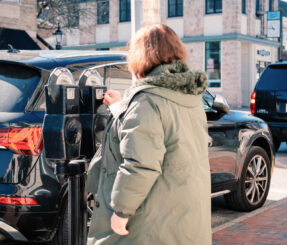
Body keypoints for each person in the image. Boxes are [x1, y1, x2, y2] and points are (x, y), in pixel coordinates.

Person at [87, 23, 211, 245]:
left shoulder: (147, 101)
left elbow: (140, 164)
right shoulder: (189, 98)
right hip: (184, 214)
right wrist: (123, 106)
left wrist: (121, 211)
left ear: (140, 55)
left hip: (151, 219)